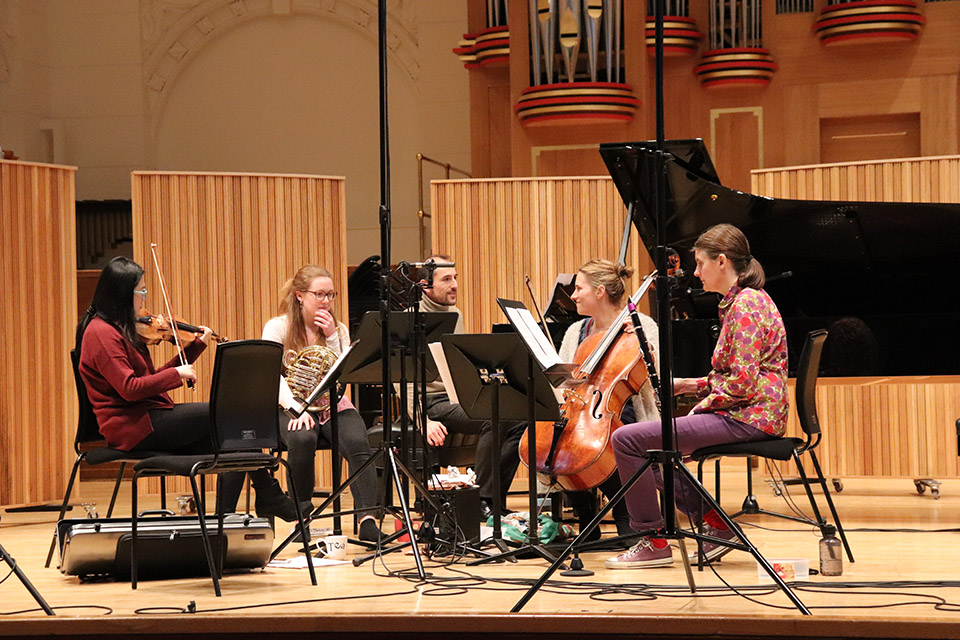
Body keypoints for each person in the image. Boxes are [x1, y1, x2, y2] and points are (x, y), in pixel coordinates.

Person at [605, 224, 788, 569]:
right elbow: (735, 376)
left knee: (626, 440)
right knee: (652, 448)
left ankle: (653, 540)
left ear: (722, 261)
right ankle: (718, 526)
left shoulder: (746, 306)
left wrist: (699, 409)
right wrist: (688, 385)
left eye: (701, 263)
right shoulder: (743, 301)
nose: (696, 273)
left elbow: (742, 384)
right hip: (750, 414)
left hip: (747, 418)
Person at [76, 256, 299, 521]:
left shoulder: (121, 329)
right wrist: (176, 374)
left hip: (149, 418)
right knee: (231, 416)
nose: (145, 299)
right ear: (122, 294)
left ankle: (227, 519)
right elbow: (130, 388)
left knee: (234, 438)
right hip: (133, 428)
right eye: (141, 292)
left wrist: (194, 348)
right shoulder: (101, 334)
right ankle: (269, 497)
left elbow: (149, 380)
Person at [262, 264, 381, 542]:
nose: (326, 301)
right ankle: (301, 517)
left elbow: (342, 374)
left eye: (331, 294)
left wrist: (332, 338)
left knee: (358, 442)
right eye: (320, 294)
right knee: (302, 438)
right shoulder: (277, 327)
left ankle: (367, 519)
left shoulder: (338, 329)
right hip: (289, 405)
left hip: (331, 403)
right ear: (300, 295)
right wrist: (297, 408)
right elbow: (271, 375)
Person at [412, 255, 526, 519]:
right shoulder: (410, 319)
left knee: (520, 418)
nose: (454, 285)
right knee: (493, 417)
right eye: (446, 279)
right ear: (425, 286)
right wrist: (423, 420)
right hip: (430, 402)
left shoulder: (455, 314)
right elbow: (400, 382)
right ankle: (481, 499)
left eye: (455, 278)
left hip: (456, 398)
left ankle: (494, 500)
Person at [556, 259, 660, 541]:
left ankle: (625, 511)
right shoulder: (576, 331)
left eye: (579, 288)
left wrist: (641, 343)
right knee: (557, 436)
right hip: (583, 406)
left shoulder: (642, 324)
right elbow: (562, 380)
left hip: (628, 408)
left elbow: (655, 380)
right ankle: (585, 514)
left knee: (612, 432)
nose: (573, 295)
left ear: (600, 291)